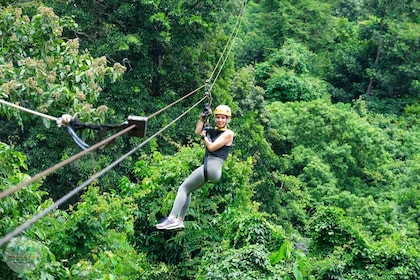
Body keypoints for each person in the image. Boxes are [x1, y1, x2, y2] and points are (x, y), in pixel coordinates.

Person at [156, 105, 235, 230]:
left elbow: (212, 147)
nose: (220, 120)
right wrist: (202, 119)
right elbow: (198, 131)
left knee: (182, 188)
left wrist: (205, 137)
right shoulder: (213, 129)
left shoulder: (229, 133)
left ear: (228, 120)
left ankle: (171, 218)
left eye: (223, 118)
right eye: (218, 117)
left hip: (212, 167)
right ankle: (180, 220)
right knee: (187, 190)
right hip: (210, 168)